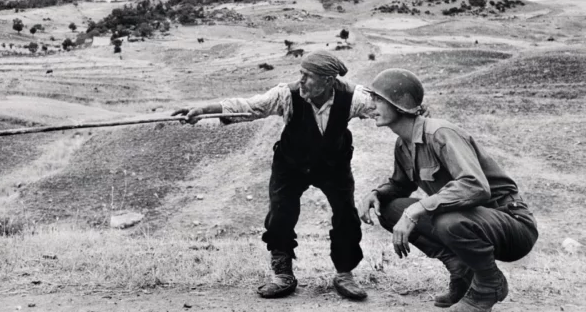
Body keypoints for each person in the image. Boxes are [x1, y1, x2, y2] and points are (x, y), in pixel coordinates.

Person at [172, 50, 375, 300]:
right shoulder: (285, 95)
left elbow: (385, 106)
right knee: (280, 215)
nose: (301, 81)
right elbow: (248, 107)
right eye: (300, 74)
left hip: (333, 165)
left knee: (346, 215)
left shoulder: (353, 97)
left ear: (328, 81)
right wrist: (203, 110)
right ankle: (283, 274)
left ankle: (345, 273)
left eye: (308, 76)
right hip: (291, 164)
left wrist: (416, 111)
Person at [358, 68, 538, 312]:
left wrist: (418, 209)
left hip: (511, 224)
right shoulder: (403, 144)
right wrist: (376, 194)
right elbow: (401, 186)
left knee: (446, 219)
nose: (371, 105)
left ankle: (489, 285)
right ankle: (462, 273)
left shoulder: (440, 133)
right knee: (390, 209)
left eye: (378, 99)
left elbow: (475, 186)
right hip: (470, 220)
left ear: (399, 105)